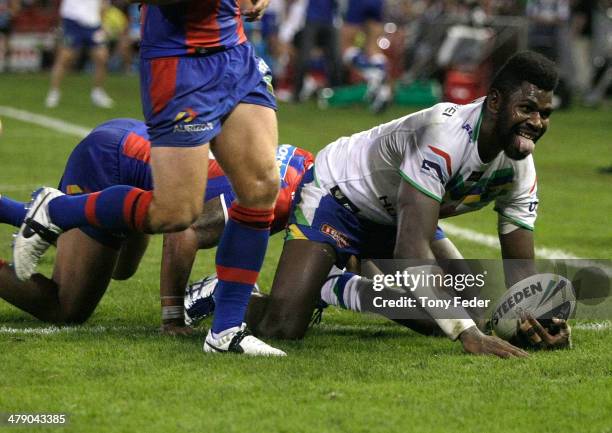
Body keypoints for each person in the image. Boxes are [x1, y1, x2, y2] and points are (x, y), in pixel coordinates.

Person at [240, 51, 560, 359]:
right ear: (495, 102)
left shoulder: (521, 170)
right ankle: (220, 293)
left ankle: (335, 285)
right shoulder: (443, 136)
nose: (536, 122)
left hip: (397, 216)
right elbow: (410, 250)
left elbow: (520, 268)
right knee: (281, 326)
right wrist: (467, 335)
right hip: (338, 198)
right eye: (526, 108)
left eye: (544, 114)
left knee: (471, 311)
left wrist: (534, 320)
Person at [14, 0, 285, 356]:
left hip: (235, 54)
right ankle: (57, 211)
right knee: (176, 213)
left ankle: (226, 331)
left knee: (262, 187)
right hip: (182, 63)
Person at [0, 118, 313, 339]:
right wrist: (172, 315)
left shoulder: (308, 168)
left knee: (119, 265)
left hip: (137, 144)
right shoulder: (283, 196)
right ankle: (49, 214)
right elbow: (184, 232)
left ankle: (27, 212)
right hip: (114, 159)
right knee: (66, 307)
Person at [45, 0, 115, 108]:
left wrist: (103, 23)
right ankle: (54, 92)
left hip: (93, 24)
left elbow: (104, 4)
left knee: (102, 57)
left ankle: (97, 92)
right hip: (73, 22)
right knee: (64, 58)